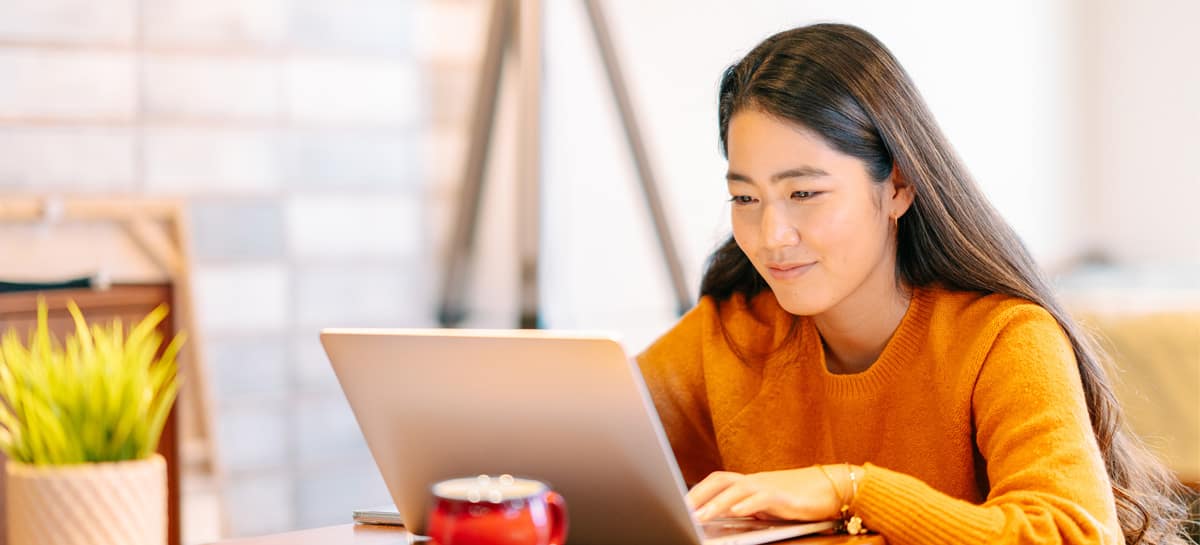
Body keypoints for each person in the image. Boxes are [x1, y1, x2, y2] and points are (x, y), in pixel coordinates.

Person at [636, 23, 1188, 545]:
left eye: (804, 194)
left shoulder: (1003, 337)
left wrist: (850, 489)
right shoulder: (730, 334)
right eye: (745, 198)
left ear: (897, 185)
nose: (771, 235)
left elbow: (1075, 534)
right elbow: (577, 452)